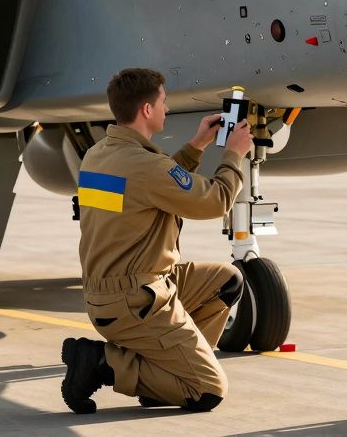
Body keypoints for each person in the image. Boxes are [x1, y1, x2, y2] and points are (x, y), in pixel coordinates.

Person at [61, 67, 254, 414]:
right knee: (207, 391)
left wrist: (197, 146)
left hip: (112, 293)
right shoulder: (146, 166)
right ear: (146, 110)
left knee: (227, 282)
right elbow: (215, 200)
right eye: (163, 102)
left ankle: (166, 382)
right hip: (136, 301)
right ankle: (103, 364)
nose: (167, 109)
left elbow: (153, 185)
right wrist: (234, 153)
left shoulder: (99, 154)